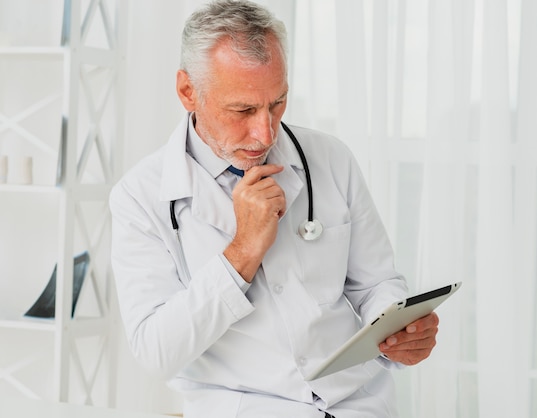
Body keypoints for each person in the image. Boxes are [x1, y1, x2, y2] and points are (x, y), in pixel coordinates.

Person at [110, 1, 439, 417]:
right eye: (243, 110)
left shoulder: (330, 158)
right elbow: (156, 351)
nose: (265, 132)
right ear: (188, 91)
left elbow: (376, 284)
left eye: (277, 103)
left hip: (359, 405)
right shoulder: (139, 197)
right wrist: (242, 251)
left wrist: (399, 330)